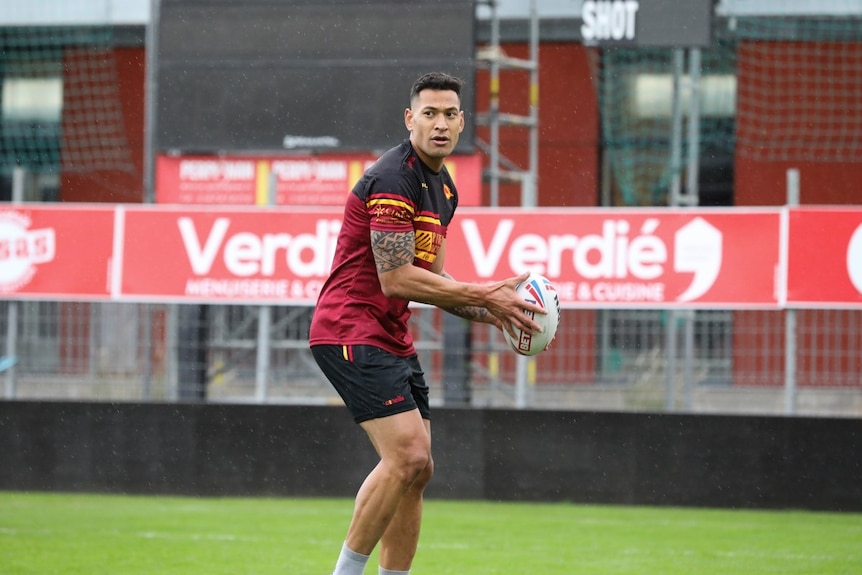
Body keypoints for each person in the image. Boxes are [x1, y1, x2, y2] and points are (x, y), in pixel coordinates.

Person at [308, 71, 545, 575]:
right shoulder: (394, 177)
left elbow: (432, 279)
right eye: (429, 113)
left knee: (417, 471)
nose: (440, 123)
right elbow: (396, 279)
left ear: (462, 123)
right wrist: (486, 293)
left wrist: (497, 312)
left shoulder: (444, 189)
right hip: (350, 328)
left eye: (450, 114)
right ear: (409, 118)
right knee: (409, 457)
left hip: (388, 335)